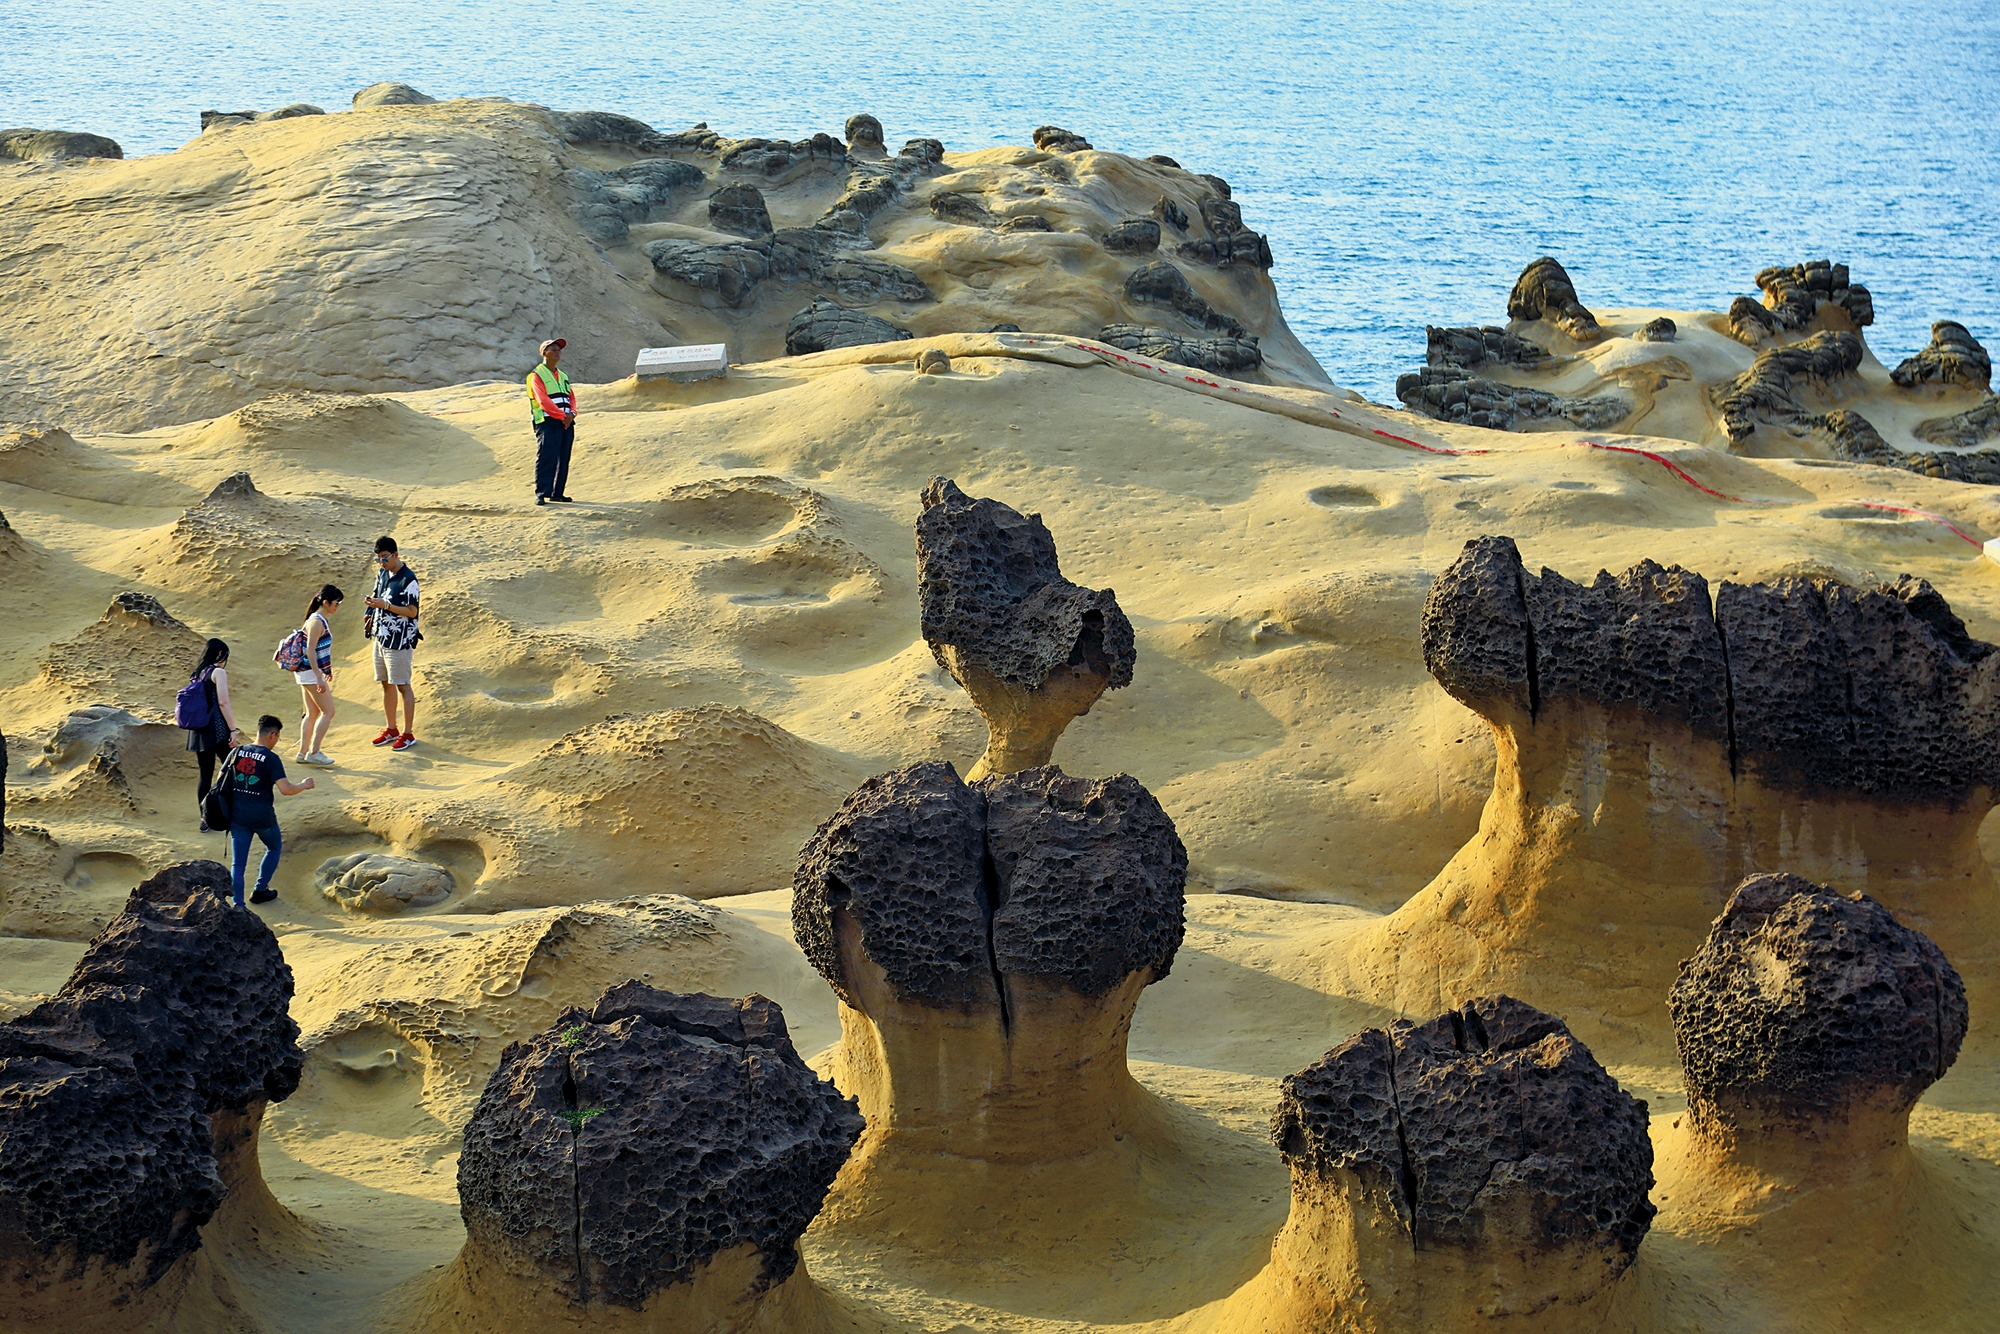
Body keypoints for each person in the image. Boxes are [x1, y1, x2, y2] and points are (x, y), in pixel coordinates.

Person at [226, 714, 314, 908]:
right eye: (278, 737)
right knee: (274, 847)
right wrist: (304, 785)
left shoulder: (237, 752)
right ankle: (260, 889)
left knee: (238, 865)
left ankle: (238, 905)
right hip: (262, 815)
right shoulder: (271, 759)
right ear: (272, 735)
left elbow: (221, 780)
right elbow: (286, 789)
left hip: (238, 814)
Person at [364, 536, 421, 751]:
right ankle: (391, 729)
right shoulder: (382, 573)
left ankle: (408, 734)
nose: (382, 563)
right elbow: (378, 596)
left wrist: (386, 605)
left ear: (396, 554)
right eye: (378, 559)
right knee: (385, 683)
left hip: (399, 641)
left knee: (403, 685)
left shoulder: (409, 579)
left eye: (385, 558)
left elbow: (412, 611)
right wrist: (372, 604)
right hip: (380, 636)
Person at [184, 638, 242, 829]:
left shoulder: (197, 674)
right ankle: (233, 811)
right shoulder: (218, 672)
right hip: (216, 730)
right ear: (219, 654)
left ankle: (205, 818)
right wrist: (232, 730)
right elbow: (223, 703)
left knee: (205, 775)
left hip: (198, 731)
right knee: (233, 769)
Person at [294, 584, 343, 766]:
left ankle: (303, 753)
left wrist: (323, 672)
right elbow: (310, 651)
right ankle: (314, 752)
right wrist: (318, 676)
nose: (337, 606)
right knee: (328, 711)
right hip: (309, 673)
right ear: (326, 602)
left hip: (307, 673)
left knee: (312, 712)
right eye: (336, 603)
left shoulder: (317, 619)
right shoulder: (316, 621)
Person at [527, 336, 577, 506]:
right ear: (544, 353)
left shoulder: (563, 375)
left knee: (564, 457)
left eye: (559, 350)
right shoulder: (537, 374)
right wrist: (562, 416)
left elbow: (571, 397)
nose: (558, 352)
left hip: (566, 422)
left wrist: (572, 414)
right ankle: (542, 493)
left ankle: (558, 493)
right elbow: (543, 400)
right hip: (547, 421)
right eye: (554, 350)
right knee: (547, 456)